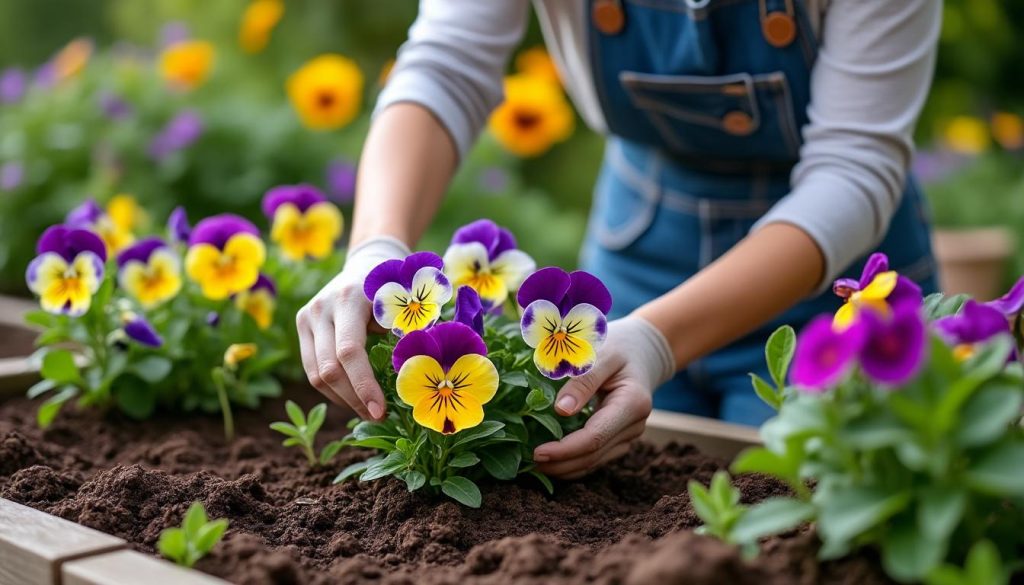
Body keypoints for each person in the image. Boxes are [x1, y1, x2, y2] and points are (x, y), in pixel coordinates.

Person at [296, 0, 942, 478]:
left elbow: (851, 170)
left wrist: (659, 339)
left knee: (798, 516)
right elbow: (446, 65)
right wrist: (376, 253)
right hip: (640, 250)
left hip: (834, 292)